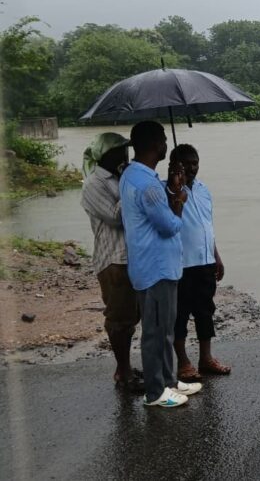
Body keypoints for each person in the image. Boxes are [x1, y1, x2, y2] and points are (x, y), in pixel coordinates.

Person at [119, 121, 202, 407]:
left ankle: (169, 381)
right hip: (156, 268)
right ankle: (156, 393)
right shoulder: (147, 186)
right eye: (164, 139)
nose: (167, 144)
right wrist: (179, 201)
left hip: (154, 265)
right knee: (156, 332)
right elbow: (168, 226)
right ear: (156, 144)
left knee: (165, 329)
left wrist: (172, 188)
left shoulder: (133, 175)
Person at [81, 132, 144, 393]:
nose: (125, 155)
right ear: (104, 155)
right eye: (119, 151)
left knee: (131, 316)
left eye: (126, 150)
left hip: (132, 258)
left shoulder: (119, 178)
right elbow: (116, 217)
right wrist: (131, 184)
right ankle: (123, 372)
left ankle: (124, 367)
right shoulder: (93, 184)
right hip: (114, 260)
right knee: (119, 319)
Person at [167, 143, 231, 382]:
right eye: (186, 164)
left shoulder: (203, 190)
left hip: (205, 261)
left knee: (205, 311)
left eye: (195, 163)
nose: (192, 168)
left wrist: (216, 256)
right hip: (181, 264)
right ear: (175, 166)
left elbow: (207, 226)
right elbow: (168, 223)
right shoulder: (167, 191)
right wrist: (175, 190)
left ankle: (206, 358)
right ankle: (183, 362)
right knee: (180, 314)